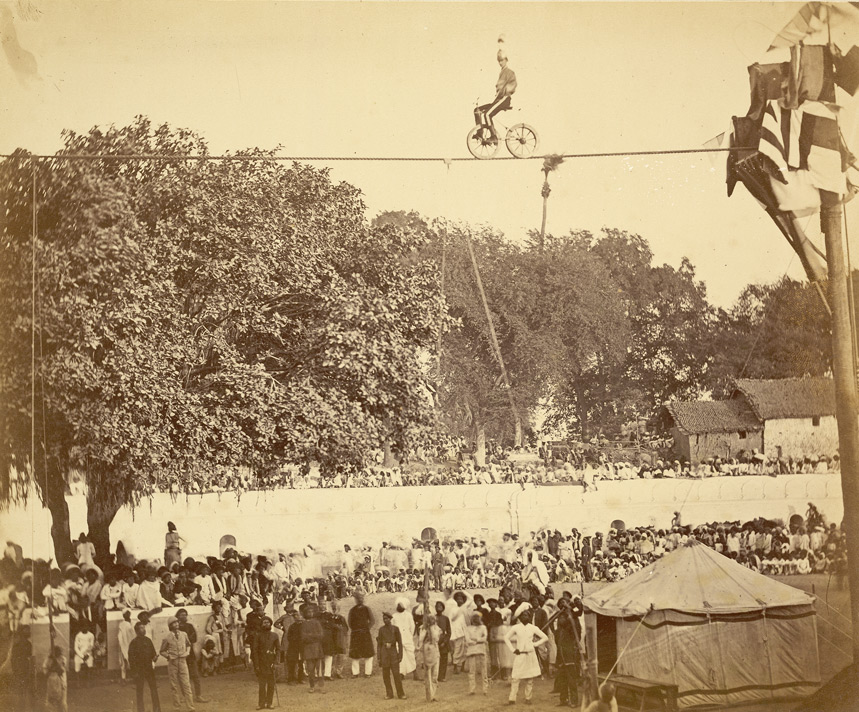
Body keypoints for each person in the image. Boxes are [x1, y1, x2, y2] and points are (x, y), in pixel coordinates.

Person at [504, 608, 549, 705]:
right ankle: (512, 698)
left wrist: (535, 644)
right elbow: (506, 638)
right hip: (520, 654)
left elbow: (545, 637)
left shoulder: (533, 628)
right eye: (523, 615)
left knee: (530, 678)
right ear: (520, 617)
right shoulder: (516, 627)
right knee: (516, 677)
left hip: (530, 655)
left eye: (527, 615)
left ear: (530, 617)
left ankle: (528, 698)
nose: (525, 617)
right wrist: (513, 649)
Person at [474, 48, 518, 140]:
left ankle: (494, 136)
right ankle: (480, 133)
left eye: (502, 60)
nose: (500, 63)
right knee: (477, 110)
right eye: (499, 61)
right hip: (499, 99)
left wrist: (505, 91)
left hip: (505, 98)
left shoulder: (510, 72)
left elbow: (513, 85)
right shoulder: (502, 72)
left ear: (506, 60)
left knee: (487, 114)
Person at [159, 615, 196, 712]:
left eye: (177, 622)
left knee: (186, 685)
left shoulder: (184, 634)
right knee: (174, 686)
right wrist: (168, 656)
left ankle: (191, 708)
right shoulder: (167, 637)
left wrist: (187, 652)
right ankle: (177, 708)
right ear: (170, 626)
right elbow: (162, 651)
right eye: (173, 623)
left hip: (183, 662)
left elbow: (188, 645)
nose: (176, 624)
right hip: (173, 663)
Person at [177, 608, 210, 704]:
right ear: (178, 616)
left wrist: (186, 640)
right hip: (180, 654)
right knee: (182, 677)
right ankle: (184, 696)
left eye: (185, 614)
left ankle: (198, 695)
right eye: (181, 615)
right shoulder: (176, 627)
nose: (183, 616)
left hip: (190, 654)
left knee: (195, 675)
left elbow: (194, 638)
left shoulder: (190, 626)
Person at [555, 598, 584, 707]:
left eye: (564, 602)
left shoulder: (574, 615)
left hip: (570, 649)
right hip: (561, 649)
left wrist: (577, 603)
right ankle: (563, 700)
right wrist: (568, 613)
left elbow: (580, 611)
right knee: (562, 676)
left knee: (571, 676)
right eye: (560, 602)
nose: (563, 604)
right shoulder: (561, 616)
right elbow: (562, 623)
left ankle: (574, 700)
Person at [129, 621, 161, 712]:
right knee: (139, 691)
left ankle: (157, 709)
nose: (144, 630)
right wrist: (134, 672)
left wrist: (155, 658)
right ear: (137, 631)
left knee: (154, 689)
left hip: (149, 668)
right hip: (139, 670)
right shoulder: (133, 643)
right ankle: (141, 710)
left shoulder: (148, 640)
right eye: (141, 628)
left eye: (144, 628)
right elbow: (131, 659)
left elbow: (153, 656)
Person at [377, 611, 407, 700]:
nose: (385, 620)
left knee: (396, 675)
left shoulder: (395, 629)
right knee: (385, 675)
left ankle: (401, 693)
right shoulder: (381, 630)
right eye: (384, 619)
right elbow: (379, 644)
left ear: (390, 619)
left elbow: (400, 643)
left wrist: (400, 655)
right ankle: (389, 693)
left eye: (386, 618)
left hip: (394, 654)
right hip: (384, 654)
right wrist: (379, 657)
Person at [253, 616, 280, 710]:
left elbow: (278, 650)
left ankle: (269, 703)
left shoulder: (275, 635)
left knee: (271, 684)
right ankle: (261, 704)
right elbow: (255, 651)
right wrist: (256, 665)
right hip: (261, 663)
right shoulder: (258, 636)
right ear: (261, 624)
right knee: (262, 685)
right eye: (264, 622)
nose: (266, 624)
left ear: (271, 623)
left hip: (271, 662)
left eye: (268, 622)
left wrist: (276, 662)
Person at [298, 603, 325, 693]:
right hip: (308, 649)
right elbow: (303, 637)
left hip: (317, 648)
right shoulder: (303, 624)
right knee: (310, 669)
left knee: (319, 669)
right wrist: (314, 637)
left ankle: (321, 687)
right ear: (305, 613)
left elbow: (321, 635)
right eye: (308, 612)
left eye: (312, 612)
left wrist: (310, 636)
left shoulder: (317, 622)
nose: (310, 613)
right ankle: (312, 686)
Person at [348, 590, 375, 677]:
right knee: (355, 654)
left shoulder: (367, 609)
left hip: (365, 634)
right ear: (355, 599)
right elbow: (350, 622)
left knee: (368, 653)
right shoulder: (352, 610)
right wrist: (356, 630)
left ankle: (368, 673)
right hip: (355, 634)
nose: (360, 599)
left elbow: (372, 621)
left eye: (362, 597)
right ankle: (355, 673)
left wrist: (367, 629)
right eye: (358, 598)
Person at [464, 612, 489, 695]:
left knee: (484, 670)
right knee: (472, 670)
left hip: (481, 650)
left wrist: (475, 639)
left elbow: (484, 638)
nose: (475, 619)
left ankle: (485, 689)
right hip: (472, 650)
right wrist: (477, 641)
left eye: (477, 617)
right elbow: (467, 640)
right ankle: (472, 689)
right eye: (474, 617)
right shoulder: (468, 628)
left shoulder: (483, 627)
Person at [10, 625, 34, 710]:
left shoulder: (29, 644)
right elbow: (13, 659)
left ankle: (22, 707)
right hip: (19, 669)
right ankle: (20, 707)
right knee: (20, 690)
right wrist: (15, 670)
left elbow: (29, 658)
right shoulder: (17, 645)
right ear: (22, 633)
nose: (29, 632)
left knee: (23, 690)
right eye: (26, 631)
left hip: (24, 669)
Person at [392, 596, 416, 677]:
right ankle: (402, 673)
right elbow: (392, 627)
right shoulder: (394, 616)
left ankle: (414, 673)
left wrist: (410, 635)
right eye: (398, 605)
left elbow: (412, 627)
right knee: (400, 655)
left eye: (401, 605)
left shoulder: (408, 615)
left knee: (411, 654)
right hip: (398, 639)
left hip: (407, 637)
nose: (399, 607)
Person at [419, 613, 441, 702]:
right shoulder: (423, 628)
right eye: (430, 619)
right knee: (428, 674)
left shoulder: (437, 628)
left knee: (435, 674)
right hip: (427, 650)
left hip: (435, 650)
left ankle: (433, 695)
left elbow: (437, 638)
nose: (432, 621)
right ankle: (429, 696)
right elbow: (420, 641)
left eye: (433, 619)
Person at [43, 644, 68, 712]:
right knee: (50, 701)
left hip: (61, 681)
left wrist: (56, 664)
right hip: (51, 682)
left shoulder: (62, 658)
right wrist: (51, 668)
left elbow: (61, 670)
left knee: (62, 702)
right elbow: (45, 672)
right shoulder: (48, 659)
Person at [434, 600, 451, 682]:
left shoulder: (446, 618)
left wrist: (445, 642)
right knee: (435, 659)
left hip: (443, 641)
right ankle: (435, 676)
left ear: (443, 608)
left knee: (444, 659)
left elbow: (449, 632)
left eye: (440, 606)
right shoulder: (433, 618)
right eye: (437, 606)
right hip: (435, 641)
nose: (439, 608)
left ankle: (442, 676)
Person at [73, 621, 95, 685]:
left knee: (90, 662)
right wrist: (82, 656)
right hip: (79, 654)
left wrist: (87, 655)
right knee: (77, 661)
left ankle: (88, 682)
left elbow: (91, 646)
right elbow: (76, 648)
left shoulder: (91, 635)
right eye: (83, 626)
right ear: (80, 627)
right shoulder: (78, 636)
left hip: (88, 654)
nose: (84, 627)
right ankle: (78, 682)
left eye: (86, 626)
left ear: (88, 627)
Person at [117, 609, 135, 684]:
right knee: (123, 662)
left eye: (128, 613)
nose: (127, 615)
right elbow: (120, 635)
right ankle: (123, 678)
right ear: (123, 616)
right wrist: (121, 644)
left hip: (132, 643)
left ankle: (135, 677)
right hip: (124, 643)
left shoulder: (134, 622)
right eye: (125, 614)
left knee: (133, 660)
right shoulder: (122, 624)